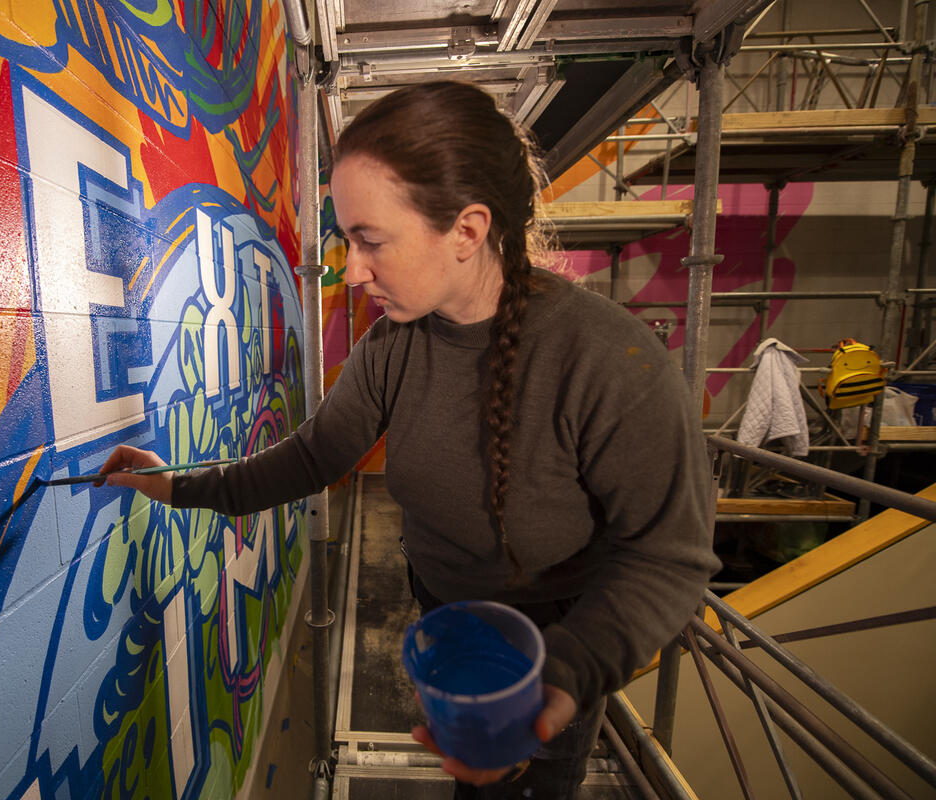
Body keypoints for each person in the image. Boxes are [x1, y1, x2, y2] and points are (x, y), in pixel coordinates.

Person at [99, 80, 721, 798]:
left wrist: (555, 679)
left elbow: (670, 559)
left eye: (370, 241)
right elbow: (311, 458)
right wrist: (172, 483)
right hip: (446, 623)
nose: (352, 269)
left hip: (557, 644)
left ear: (466, 230)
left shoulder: (610, 361)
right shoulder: (392, 348)